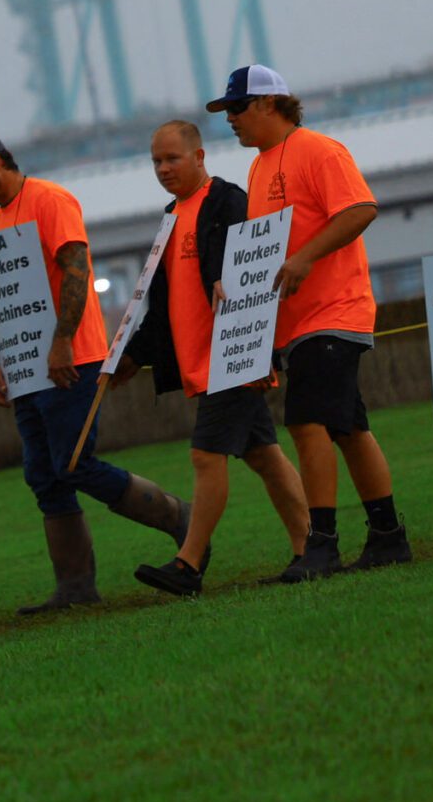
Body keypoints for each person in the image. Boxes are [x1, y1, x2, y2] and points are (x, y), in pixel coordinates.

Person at [0, 129, 188, 613]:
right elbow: (11, 302)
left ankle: (180, 517)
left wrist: (61, 342)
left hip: (71, 362)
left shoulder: (50, 201)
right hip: (30, 370)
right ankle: (75, 588)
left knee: (74, 462)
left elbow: (75, 269)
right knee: (44, 475)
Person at [211, 65, 413, 576]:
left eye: (236, 108)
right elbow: (266, 251)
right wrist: (237, 290)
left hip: (335, 312)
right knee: (349, 428)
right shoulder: (258, 168)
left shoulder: (320, 150)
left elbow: (361, 208)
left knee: (305, 422)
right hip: (295, 323)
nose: (230, 119)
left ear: (267, 104)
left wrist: (304, 258)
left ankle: (320, 544)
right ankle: (388, 536)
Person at [113, 122, 312, 596]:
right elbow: (160, 305)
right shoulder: (169, 217)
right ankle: (313, 548)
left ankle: (189, 564)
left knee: (206, 455)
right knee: (264, 455)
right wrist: (130, 357)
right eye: (156, 161)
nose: (163, 169)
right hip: (199, 366)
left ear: (199, 156)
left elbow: (257, 267)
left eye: (172, 159)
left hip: (233, 356)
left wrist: (258, 345)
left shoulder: (227, 201)